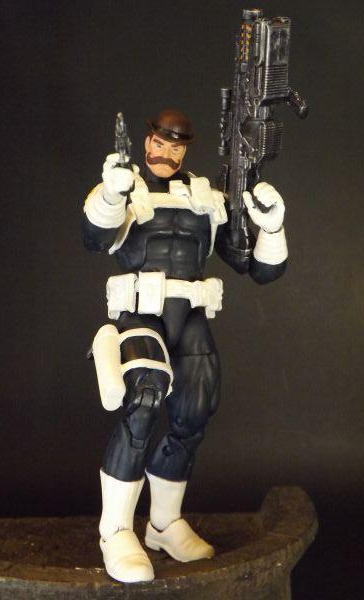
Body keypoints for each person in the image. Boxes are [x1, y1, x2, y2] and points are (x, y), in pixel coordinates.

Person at [83, 109, 287, 583]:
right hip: (141, 312)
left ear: (186, 149)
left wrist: (272, 227)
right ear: (146, 141)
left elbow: (260, 270)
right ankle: (116, 530)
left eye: (176, 146)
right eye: (159, 142)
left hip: (190, 317)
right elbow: (93, 239)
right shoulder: (125, 186)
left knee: (195, 411)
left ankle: (163, 523)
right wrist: (111, 193)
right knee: (144, 398)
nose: (166, 152)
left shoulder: (206, 199)